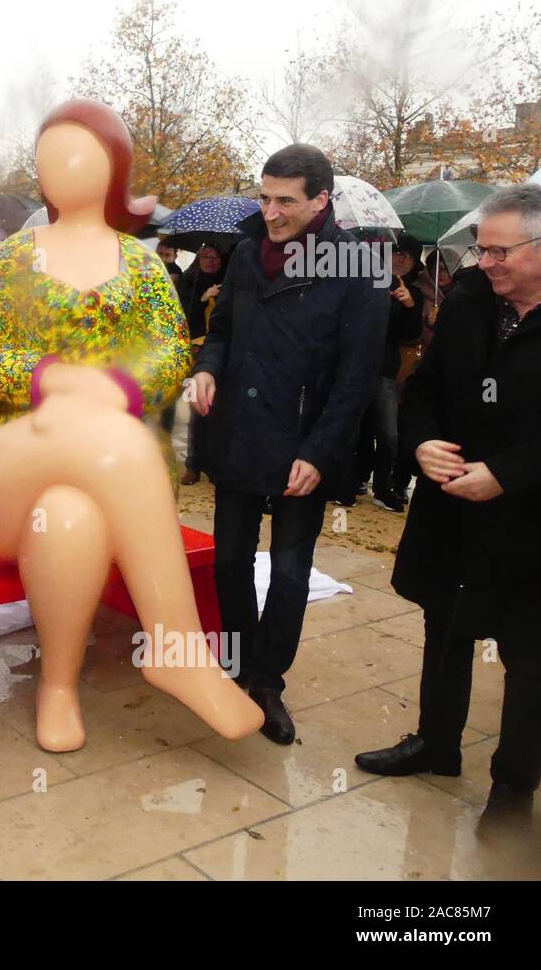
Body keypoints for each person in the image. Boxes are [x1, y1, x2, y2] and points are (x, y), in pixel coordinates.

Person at [0, 100, 264, 752]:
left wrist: (118, 386)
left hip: (102, 483)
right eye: (48, 156)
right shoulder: (11, 260)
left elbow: (171, 352)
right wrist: (53, 381)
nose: (60, 169)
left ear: (115, 166)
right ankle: (175, 645)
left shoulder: (141, 265)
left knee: (70, 517)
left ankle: (58, 687)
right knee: (112, 441)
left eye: (78, 154)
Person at [356, 184, 541, 833]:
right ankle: (436, 744)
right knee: (447, 627)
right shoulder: (468, 300)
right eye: (481, 248)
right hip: (453, 513)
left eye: (501, 251)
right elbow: (422, 390)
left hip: (528, 527)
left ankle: (512, 794)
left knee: (528, 660)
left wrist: (510, 475)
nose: (485, 262)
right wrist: (422, 443)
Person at [191, 144, 388, 744]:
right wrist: (209, 368)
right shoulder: (248, 255)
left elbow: (358, 377)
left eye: (285, 200)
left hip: (306, 441)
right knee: (228, 559)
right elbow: (222, 330)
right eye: (264, 196)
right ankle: (238, 663)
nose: (270, 212)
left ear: (321, 200)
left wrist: (320, 451)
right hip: (241, 434)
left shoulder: (359, 268)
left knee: (291, 571)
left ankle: (268, 681)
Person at [351, 236, 425, 512]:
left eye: (409, 255)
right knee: (353, 429)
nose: (402, 259)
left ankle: (384, 487)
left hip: (385, 370)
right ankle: (349, 481)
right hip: (355, 365)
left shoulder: (412, 294)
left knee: (388, 433)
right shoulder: (365, 281)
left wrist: (408, 307)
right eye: (397, 252)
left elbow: (411, 334)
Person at [175, 242, 229, 485]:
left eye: (214, 256)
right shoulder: (190, 280)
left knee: (220, 413)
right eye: (205, 256)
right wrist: (202, 299)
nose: (210, 261)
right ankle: (193, 465)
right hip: (198, 352)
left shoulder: (231, 276)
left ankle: (216, 465)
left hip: (223, 354)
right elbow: (182, 315)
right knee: (198, 410)